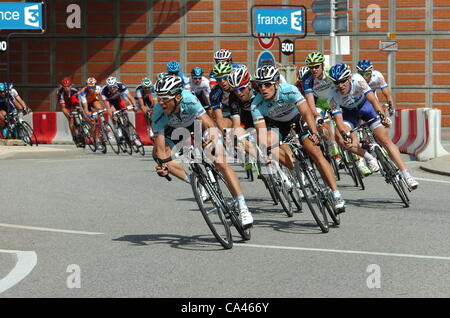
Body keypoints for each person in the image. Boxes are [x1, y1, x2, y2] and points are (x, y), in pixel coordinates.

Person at [151, 75, 253, 228]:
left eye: (165, 98)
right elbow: (160, 150)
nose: (160, 102)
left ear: (178, 97)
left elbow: (209, 124)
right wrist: (164, 166)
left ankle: (243, 207)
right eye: (159, 98)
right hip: (174, 131)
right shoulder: (158, 113)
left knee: (219, 160)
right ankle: (195, 181)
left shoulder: (189, 99)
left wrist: (212, 140)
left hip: (197, 125)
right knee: (158, 155)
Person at [251, 65, 346, 213]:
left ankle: (336, 194)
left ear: (276, 83)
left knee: (313, 150)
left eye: (268, 84)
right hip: (278, 124)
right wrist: (267, 153)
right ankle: (295, 169)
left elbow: (306, 112)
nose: (263, 88)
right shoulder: (256, 104)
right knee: (268, 145)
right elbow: (262, 132)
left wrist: (314, 133)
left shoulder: (289, 90)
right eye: (260, 85)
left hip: (298, 118)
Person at [328, 63, 419, 190]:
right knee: (341, 139)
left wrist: (382, 116)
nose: (340, 85)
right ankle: (368, 157)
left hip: (365, 107)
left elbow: (373, 100)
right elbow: (338, 121)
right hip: (349, 113)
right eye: (336, 82)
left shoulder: (358, 80)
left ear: (349, 78)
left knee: (385, 140)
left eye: (343, 81)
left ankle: (407, 175)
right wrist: (345, 134)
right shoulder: (332, 94)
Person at [209, 62, 236, 133]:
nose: (222, 82)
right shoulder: (214, 93)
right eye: (219, 79)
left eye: (225, 78)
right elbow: (219, 118)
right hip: (229, 113)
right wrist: (225, 134)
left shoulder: (237, 86)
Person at [57, 77, 82, 146]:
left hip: (74, 103)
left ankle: (83, 125)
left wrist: (80, 108)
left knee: (80, 109)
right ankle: (74, 137)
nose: (67, 88)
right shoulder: (60, 92)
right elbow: (63, 107)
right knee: (71, 119)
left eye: (68, 87)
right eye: (65, 87)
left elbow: (80, 100)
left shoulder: (75, 90)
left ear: (71, 86)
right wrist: (68, 114)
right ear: (62, 87)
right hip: (66, 105)